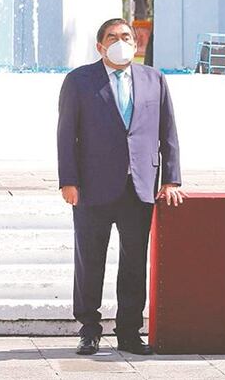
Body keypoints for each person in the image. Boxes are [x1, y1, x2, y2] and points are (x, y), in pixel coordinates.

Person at [57, 18, 183, 356]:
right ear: (100, 46)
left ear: (136, 42)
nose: (120, 41)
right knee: (90, 260)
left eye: (126, 36)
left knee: (134, 262)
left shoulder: (154, 79)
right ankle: (88, 329)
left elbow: (167, 133)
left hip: (139, 187)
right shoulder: (80, 81)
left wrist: (171, 178)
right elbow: (66, 134)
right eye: (112, 37)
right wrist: (68, 181)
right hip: (91, 187)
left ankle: (129, 331)